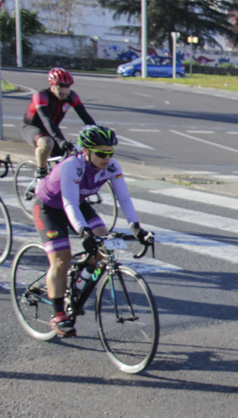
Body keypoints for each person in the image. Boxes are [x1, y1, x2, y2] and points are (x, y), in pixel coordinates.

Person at [32, 125, 152, 338]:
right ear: (85, 151)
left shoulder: (112, 167)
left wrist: (136, 227)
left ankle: (79, 281)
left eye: (110, 152)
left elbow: (123, 198)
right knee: (61, 259)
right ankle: (58, 314)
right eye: (101, 153)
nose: (107, 158)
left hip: (78, 205)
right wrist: (83, 232)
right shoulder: (71, 166)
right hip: (50, 208)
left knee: (103, 243)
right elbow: (68, 202)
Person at [21, 68, 97, 179]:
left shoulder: (72, 96)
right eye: (60, 86)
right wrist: (60, 140)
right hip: (32, 127)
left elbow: (84, 116)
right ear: (52, 85)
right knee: (47, 143)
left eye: (67, 87)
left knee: (66, 165)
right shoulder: (41, 95)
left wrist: (98, 132)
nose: (64, 91)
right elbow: (46, 119)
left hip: (52, 129)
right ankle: (40, 172)